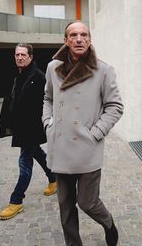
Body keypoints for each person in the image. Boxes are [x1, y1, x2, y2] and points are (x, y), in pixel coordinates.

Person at [42, 21, 123, 246]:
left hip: (87, 147)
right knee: (66, 206)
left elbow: (115, 106)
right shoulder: (52, 67)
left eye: (84, 35)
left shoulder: (103, 70)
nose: (79, 39)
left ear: (89, 39)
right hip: (60, 147)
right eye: (74, 35)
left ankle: (108, 223)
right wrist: (48, 122)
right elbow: (48, 98)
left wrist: (95, 133)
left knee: (87, 202)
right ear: (66, 40)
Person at [0, 43, 57, 220]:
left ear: (31, 57)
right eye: (17, 55)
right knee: (37, 153)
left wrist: (46, 122)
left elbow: (47, 102)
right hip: (21, 127)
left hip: (32, 128)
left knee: (25, 162)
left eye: (23, 55)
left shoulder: (38, 77)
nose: (20, 58)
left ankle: (16, 200)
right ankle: (54, 179)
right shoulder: (18, 75)